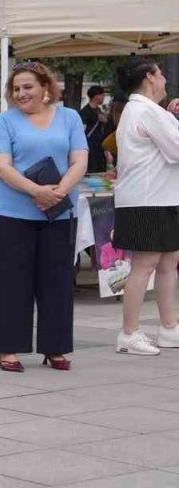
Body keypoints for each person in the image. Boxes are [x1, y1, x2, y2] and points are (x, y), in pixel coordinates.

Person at [0, 60, 88, 372]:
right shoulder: (5, 122)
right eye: (16, 89)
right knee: (12, 282)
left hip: (58, 213)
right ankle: (7, 347)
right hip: (10, 214)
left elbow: (79, 161)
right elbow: (0, 165)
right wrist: (36, 191)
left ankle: (54, 347)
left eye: (28, 87)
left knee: (57, 281)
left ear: (46, 87)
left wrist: (57, 193)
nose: (21, 93)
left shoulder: (70, 118)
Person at [109, 58, 179, 356]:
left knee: (168, 263)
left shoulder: (145, 110)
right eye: (161, 74)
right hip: (146, 200)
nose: (164, 80)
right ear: (150, 77)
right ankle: (129, 332)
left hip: (159, 197)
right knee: (145, 265)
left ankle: (169, 327)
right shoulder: (145, 110)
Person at [80, 86, 110, 173]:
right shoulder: (85, 112)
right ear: (97, 96)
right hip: (90, 147)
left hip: (99, 147)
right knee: (92, 170)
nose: (104, 97)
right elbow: (82, 130)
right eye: (102, 95)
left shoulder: (99, 110)